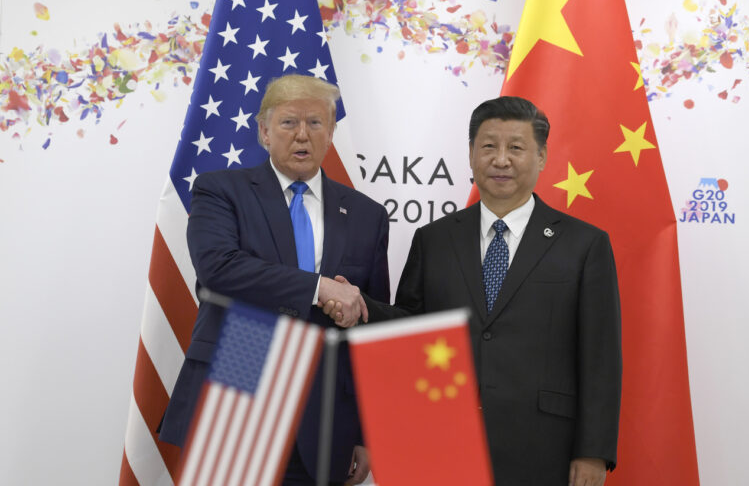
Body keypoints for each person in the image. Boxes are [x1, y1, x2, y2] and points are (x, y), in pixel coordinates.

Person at [324, 96, 621, 485]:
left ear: (543, 156)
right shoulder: (434, 239)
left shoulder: (583, 244)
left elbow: (600, 356)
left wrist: (593, 451)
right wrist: (362, 307)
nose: (501, 159)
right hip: (445, 439)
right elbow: (412, 326)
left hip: (545, 446)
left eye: (516, 147)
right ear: (470, 154)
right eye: (488, 146)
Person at [158, 74, 390, 485]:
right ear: (264, 131)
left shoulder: (366, 214)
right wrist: (321, 289)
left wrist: (364, 430)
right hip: (236, 393)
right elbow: (219, 269)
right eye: (288, 123)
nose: (302, 134)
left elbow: (368, 331)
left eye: (316, 123)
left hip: (324, 417)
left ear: (331, 132)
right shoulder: (221, 191)